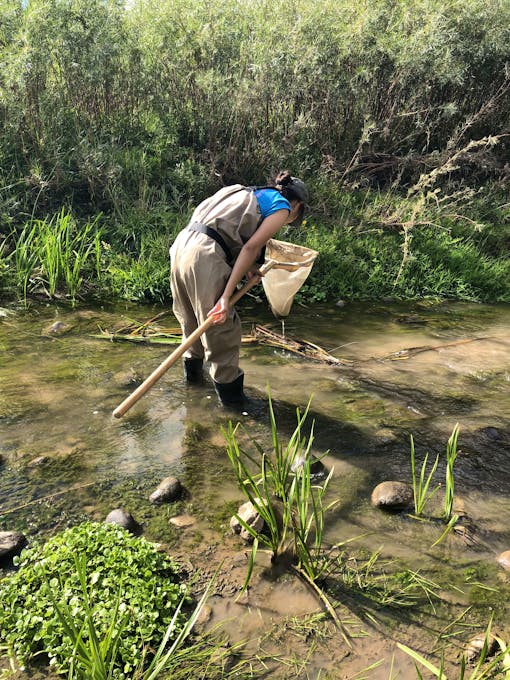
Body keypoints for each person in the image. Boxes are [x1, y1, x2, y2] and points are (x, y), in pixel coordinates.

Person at [170, 170, 309, 407]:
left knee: (191, 322)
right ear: (296, 205)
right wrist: (225, 297)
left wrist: (248, 270)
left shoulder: (239, 191)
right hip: (205, 256)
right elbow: (250, 248)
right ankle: (233, 407)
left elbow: (224, 233)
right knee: (220, 327)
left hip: (181, 247)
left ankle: (192, 395)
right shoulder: (281, 205)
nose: (289, 219)